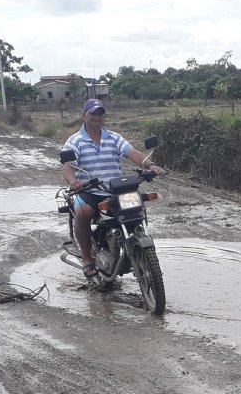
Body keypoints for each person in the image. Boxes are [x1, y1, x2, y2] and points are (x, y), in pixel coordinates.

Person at [62, 98, 167, 277]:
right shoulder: (75, 141)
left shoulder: (113, 137)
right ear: (84, 116)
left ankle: (136, 249)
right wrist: (73, 181)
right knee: (83, 212)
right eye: (93, 113)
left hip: (115, 190)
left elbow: (132, 152)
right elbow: (67, 166)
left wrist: (150, 165)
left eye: (100, 114)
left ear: (104, 117)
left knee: (137, 207)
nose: (97, 117)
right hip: (89, 191)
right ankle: (87, 258)